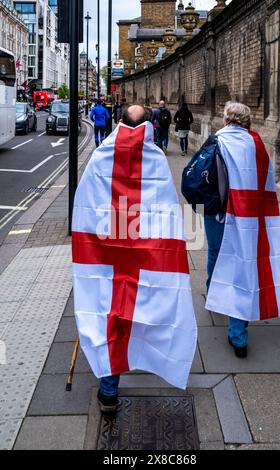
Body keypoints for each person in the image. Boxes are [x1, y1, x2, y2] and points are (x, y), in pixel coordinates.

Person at [72, 105, 197, 413]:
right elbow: (167, 211)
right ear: (148, 124)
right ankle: (146, 357)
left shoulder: (101, 155)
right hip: (144, 253)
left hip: (106, 252)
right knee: (145, 304)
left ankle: (109, 390)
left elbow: (85, 207)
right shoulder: (155, 158)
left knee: (107, 313)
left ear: (121, 122)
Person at [197, 102, 280, 358]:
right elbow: (266, 183)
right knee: (243, 265)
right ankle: (238, 334)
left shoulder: (216, 140)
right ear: (247, 121)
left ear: (227, 119)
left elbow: (200, 175)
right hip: (249, 217)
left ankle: (214, 292)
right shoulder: (258, 145)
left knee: (217, 256)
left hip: (218, 213)